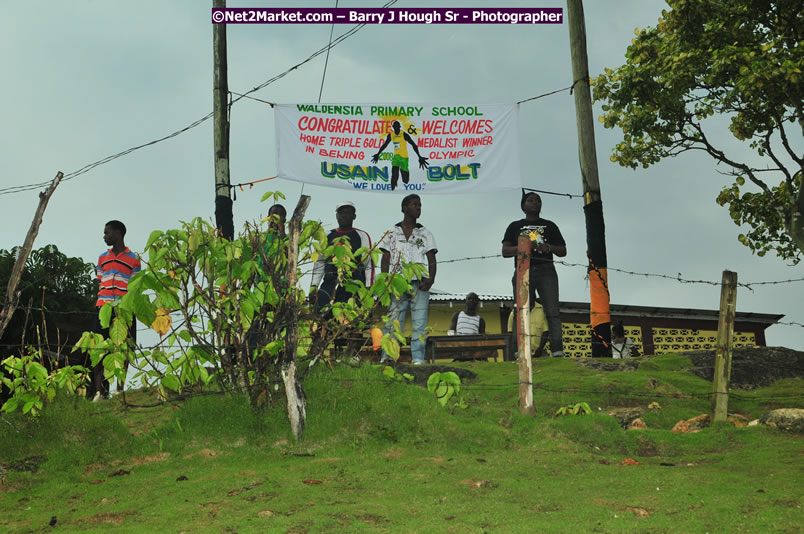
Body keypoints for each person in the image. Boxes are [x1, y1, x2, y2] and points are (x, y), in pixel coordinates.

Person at [502, 192, 567, 357]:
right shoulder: (514, 226)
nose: (535, 203)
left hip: (546, 270)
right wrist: (523, 247)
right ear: (523, 205)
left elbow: (563, 251)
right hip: (523, 270)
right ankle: (520, 350)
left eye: (538, 200)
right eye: (530, 200)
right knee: (522, 310)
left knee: (552, 311)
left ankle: (557, 350)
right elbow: (505, 251)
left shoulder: (549, 225)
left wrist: (549, 247)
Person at [379, 194, 437, 365]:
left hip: (419, 283)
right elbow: (385, 258)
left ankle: (418, 358)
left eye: (420, 205)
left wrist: (431, 279)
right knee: (393, 321)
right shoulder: (391, 232)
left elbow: (431, 257)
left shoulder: (425, 233)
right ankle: (389, 356)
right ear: (404, 208)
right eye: (414, 205)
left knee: (419, 322)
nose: (418, 208)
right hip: (396, 282)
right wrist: (386, 281)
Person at [92, 220, 141, 401]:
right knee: (99, 346)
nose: (105, 236)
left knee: (124, 347)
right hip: (103, 307)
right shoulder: (102, 258)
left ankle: (119, 389)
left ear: (118, 233)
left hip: (124, 309)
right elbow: (100, 280)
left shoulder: (134, 259)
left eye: (107, 233)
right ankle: (100, 392)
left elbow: (134, 286)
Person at [310, 201, 374, 314]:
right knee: (320, 314)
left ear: (354, 216)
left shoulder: (362, 236)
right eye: (341, 213)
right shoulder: (327, 235)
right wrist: (314, 286)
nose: (344, 215)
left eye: (348, 213)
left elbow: (368, 264)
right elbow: (319, 263)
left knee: (351, 317)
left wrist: (368, 287)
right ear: (336, 216)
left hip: (354, 282)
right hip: (330, 281)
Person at [371, 120, 429, 191]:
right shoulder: (391, 135)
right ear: (393, 128)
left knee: (405, 180)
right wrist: (378, 153)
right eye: (394, 127)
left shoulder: (404, 134)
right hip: (396, 157)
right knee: (394, 174)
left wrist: (419, 156)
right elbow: (385, 145)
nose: (396, 128)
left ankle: (404, 174)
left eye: (397, 127)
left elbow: (413, 144)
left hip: (404, 157)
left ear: (399, 127)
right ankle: (392, 189)